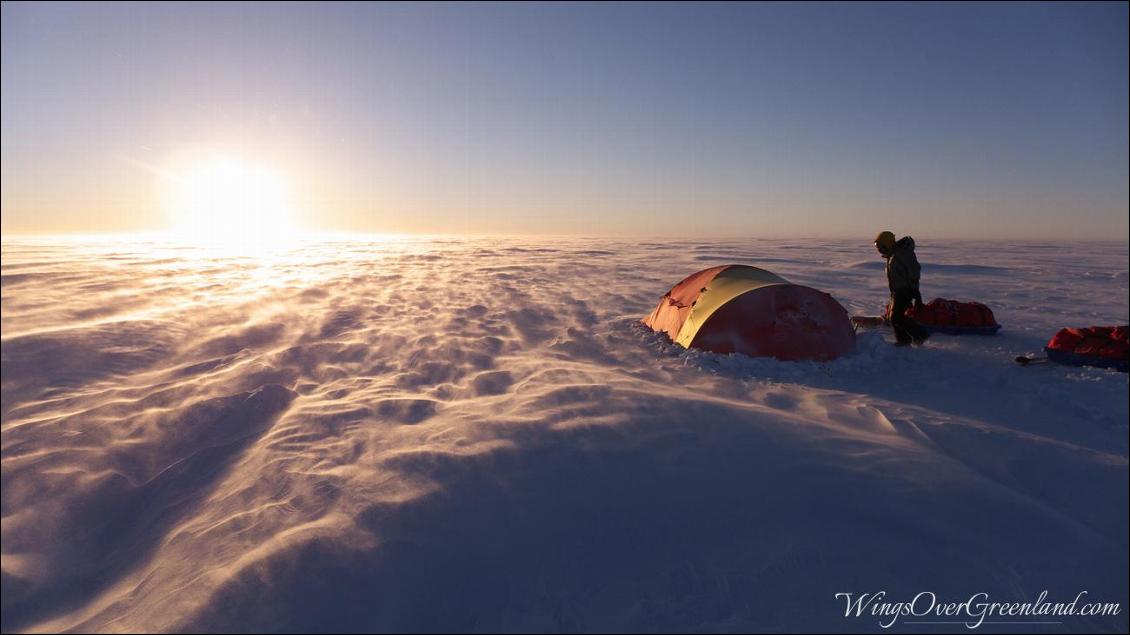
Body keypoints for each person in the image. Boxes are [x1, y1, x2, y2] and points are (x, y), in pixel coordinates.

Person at [875, 230, 930, 346]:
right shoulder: (893, 255)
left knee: (896, 318)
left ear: (887, 244)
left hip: (905, 290)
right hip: (897, 290)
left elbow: (914, 270)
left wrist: (915, 290)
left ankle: (919, 334)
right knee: (894, 317)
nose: (879, 250)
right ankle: (904, 340)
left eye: (881, 247)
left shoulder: (902, 254)